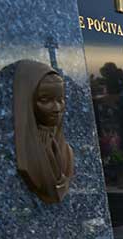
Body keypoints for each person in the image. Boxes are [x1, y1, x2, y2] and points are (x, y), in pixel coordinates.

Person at [14, 60, 74, 204]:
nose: (57, 108)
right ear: (28, 101)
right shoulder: (26, 155)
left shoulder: (67, 152)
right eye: (45, 100)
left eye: (60, 99)